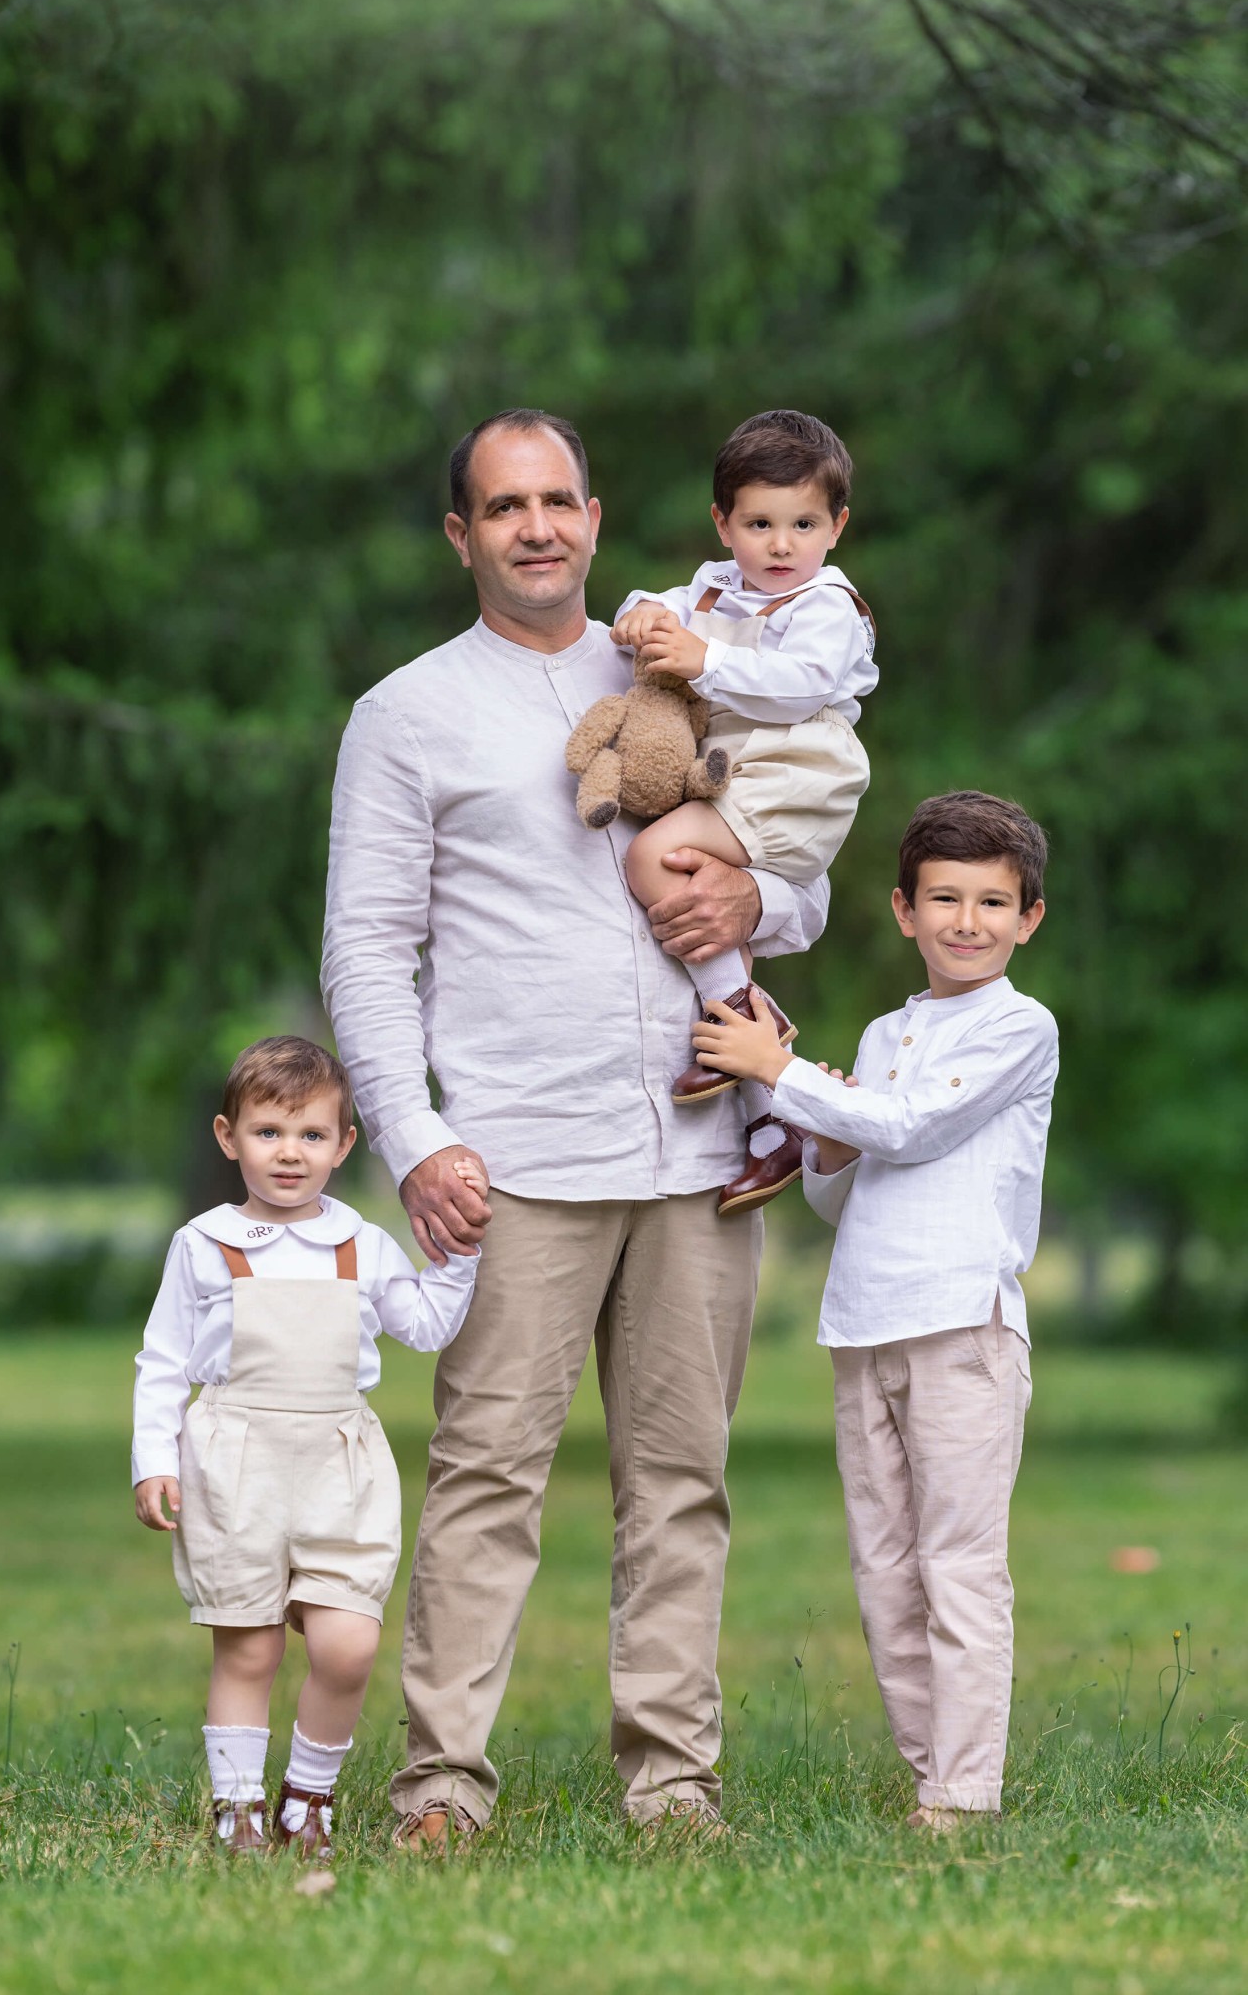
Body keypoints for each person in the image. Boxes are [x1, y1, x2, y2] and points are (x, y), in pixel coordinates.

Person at [322, 408, 831, 1846]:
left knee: (681, 1482)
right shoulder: (407, 713)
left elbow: (797, 861)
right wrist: (415, 1141)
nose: (535, 527)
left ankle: (672, 1781)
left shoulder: (686, 670)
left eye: (558, 501)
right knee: (485, 1477)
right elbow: (366, 950)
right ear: (460, 536)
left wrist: (762, 908)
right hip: (514, 1159)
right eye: (503, 507)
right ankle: (440, 1787)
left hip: (698, 1153)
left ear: (597, 521)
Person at [689, 790, 1057, 1831]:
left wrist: (779, 1071)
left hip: (960, 1327)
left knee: (955, 1563)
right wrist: (826, 1138)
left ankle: (963, 1788)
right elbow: (844, 1181)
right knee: (885, 1567)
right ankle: (925, 1769)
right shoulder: (888, 1028)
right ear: (903, 909)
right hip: (865, 1323)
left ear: (1028, 917)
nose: (966, 920)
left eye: (992, 901)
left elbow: (912, 1124)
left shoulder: (1019, 1026)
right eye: (944, 897)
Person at [131, 1034, 481, 1859]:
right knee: (248, 1644)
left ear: (343, 1145)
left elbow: (424, 1327)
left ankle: (309, 1797)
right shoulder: (204, 1244)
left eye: (312, 1135)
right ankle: (240, 1809)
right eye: (268, 1133)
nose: (290, 1153)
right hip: (236, 1460)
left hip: (338, 1461)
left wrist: (460, 1258)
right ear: (229, 1137)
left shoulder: (360, 1243)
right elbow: (162, 1362)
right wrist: (155, 1458)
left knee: (348, 1642)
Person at [611, 409, 879, 1214]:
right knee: (700, 895)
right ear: (723, 523)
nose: (780, 545)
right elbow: (646, 602)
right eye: (759, 523)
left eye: (802, 524)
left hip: (796, 770)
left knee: (653, 858)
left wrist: (705, 657)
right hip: (739, 773)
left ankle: (738, 1014)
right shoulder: (714, 584)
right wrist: (643, 618)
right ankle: (773, 1116)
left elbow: (799, 682)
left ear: (836, 526)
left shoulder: (831, 606)